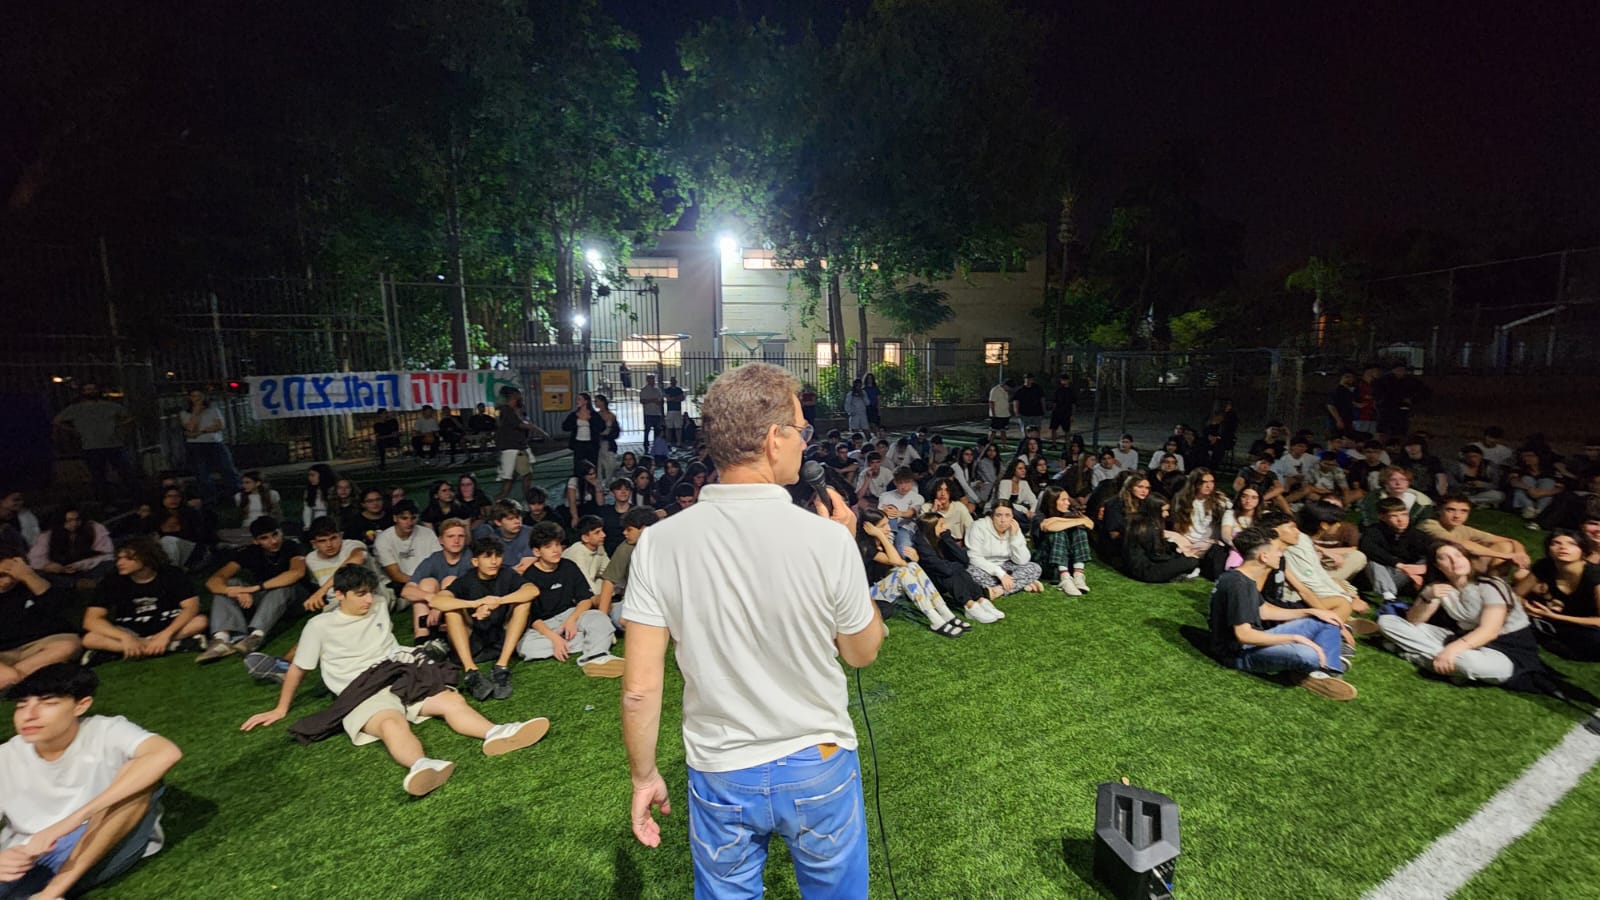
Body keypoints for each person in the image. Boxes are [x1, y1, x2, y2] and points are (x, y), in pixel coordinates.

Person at [621, 362, 883, 897]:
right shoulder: (827, 539)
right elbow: (862, 652)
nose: (806, 443)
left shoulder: (659, 542)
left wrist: (644, 776)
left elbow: (639, 689)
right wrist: (849, 547)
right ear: (772, 439)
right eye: (801, 429)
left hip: (720, 769)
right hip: (817, 759)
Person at [239, 565, 549, 798]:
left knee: (452, 700)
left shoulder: (377, 605)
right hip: (361, 689)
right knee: (391, 722)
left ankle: (497, 732)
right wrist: (281, 709)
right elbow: (298, 669)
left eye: (369, 592)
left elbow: (416, 600)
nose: (368, 599)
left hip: (400, 672)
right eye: (360, 594)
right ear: (339, 595)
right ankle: (422, 765)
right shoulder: (319, 626)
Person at [0, 664, 181, 898]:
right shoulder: (6, 756)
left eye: (48, 702)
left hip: (99, 845)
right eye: (21, 705)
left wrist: (70, 822)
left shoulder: (105, 731)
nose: (29, 715)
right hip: (23, 857)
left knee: (140, 780)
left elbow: (166, 753)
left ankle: (50, 894)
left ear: (81, 705)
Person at [1207, 526, 1356, 700]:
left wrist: (1311, 611)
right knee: (1308, 654)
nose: (1281, 554)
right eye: (1277, 550)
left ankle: (1326, 672)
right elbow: (1244, 635)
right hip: (1238, 653)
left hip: (1254, 642)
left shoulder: (1244, 578)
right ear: (1263, 556)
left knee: (1328, 619)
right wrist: (1295, 638)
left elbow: (1264, 611)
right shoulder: (1238, 584)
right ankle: (1315, 669)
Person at [1379, 542, 1547, 689]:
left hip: (1507, 649)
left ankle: (1411, 654)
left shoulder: (1491, 585)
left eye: (1458, 555)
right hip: (1463, 639)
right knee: (1387, 621)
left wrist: (1451, 650)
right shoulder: (1440, 587)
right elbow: (1413, 621)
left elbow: (1490, 631)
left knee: (1467, 663)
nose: (1455, 561)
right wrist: (1427, 596)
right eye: (1445, 558)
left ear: (1467, 559)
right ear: (1437, 565)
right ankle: (1446, 667)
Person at [430, 538, 537, 701]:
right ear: (475, 561)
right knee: (451, 611)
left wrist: (498, 601)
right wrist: (475, 604)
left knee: (524, 602)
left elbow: (532, 590)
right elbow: (436, 601)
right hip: (474, 638)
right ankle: (471, 672)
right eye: (487, 556)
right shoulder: (467, 579)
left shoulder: (507, 574)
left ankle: (501, 667)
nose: (494, 561)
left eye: (497, 556)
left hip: (500, 636)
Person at [515, 522, 624, 676]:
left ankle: (595, 656)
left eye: (558, 545)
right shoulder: (529, 576)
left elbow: (585, 599)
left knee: (599, 618)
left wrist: (571, 621)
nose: (555, 550)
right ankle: (592, 641)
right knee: (525, 647)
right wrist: (555, 639)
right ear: (537, 551)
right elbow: (532, 618)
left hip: (571, 614)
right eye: (548, 547)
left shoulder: (568, 566)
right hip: (545, 625)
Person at [197, 517, 309, 663]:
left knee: (282, 585)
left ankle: (255, 636)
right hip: (267, 599)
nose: (273, 541)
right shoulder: (250, 552)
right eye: (265, 538)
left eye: (275, 534)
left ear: (281, 532)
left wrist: (254, 588)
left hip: (296, 598)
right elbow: (213, 581)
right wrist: (234, 591)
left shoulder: (292, 546)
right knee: (230, 584)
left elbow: (296, 573)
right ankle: (221, 639)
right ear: (256, 541)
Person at [81, 538, 207, 662]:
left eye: (128, 558)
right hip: (130, 629)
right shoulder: (112, 580)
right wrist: (125, 637)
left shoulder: (172, 574)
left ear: (146, 558)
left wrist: (166, 635)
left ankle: (121, 650)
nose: (120, 563)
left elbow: (191, 607)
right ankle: (171, 646)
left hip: (167, 623)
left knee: (200, 621)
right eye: (119, 558)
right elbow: (91, 620)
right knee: (90, 638)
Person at [1257, 510, 1376, 637]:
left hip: (1282, 605)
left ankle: (1335, 625)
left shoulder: (1281, 559)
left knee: (1341, 600)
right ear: (1275, 531)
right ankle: (1330, 630)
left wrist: (1328, 615)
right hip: (1271, 611)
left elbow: (1303, 590)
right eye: (1292, 528)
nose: (1297, 532)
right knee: (1341, 602)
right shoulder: (1265, 558)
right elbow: (1255, 596)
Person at [857, 510, 966, 637]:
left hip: (880, 588)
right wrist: (881, 536)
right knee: (903, 572)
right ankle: (934, 618)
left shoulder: (882, 543)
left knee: (912, 566)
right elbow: (896, 561)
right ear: (870, 528)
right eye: (882, 526)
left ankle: (944, 611)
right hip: (867, 596)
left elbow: (903, 564)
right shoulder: (865, 547)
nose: (888, 528)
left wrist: (914, 560)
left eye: (887, 524)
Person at [0, 554, 81, 690]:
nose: (7, 581)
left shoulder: (35, 582)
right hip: (3, 652)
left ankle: (15, 680)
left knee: (69, 646)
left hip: (40, 644)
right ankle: (15, 679)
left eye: (12, 575)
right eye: (2, 575)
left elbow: (57, 605)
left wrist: (28, 576)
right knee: (8, 677)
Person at [1518, 530, 1600, 661]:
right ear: (1549, 549)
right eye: (1556, 543)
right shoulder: (1545, 565)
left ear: (1583, 551)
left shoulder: (1594, 575)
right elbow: (1516, 594)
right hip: (1554, 615)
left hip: (1585, 623)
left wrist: (1554, 616)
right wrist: (1526, 606)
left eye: (1572, 544)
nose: (1563, 547)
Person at [51, 383, 134, 505]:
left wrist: (118, 428)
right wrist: (74, 431)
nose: (91, 391)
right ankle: (106, 501)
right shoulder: (75, 408)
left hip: (113, 444)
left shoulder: (110, 406)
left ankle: (135, 497)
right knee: (99, 476)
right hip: (91, 446)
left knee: (125, 472)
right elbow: (57, 421)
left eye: (93, 389)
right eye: (87, 389)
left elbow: (128, 417)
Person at [1418, 494, 1531, 578]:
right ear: (1439, 511)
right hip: (1433, 568)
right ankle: (1492, 583)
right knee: (1496, 551)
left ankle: (1495, 581)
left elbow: (1512, 541)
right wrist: (1506, 556)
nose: (1457, 515)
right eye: (1451, 510)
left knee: (1505, 545)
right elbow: (1463, 544)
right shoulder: (1430, 525)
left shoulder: (1462, 528)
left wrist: (1520, 554)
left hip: (1461, 566)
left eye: (1463, 511)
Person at [400, 519, 473, 649]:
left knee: (450, 581)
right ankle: (422, 640)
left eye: (461, 536)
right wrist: (433, 599)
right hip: (436, 609)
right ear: (441, 540)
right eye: (451, 536)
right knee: (427, 583)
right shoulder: (434, 559)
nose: (456, 540)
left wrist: (441, 605)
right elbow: (406, 591)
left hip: (465, 610)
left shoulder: (471, 558)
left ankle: (446, 638)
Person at [1359, 497, 1437, 602]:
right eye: (1394, 516)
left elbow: (1434, 550)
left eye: (1404, 515)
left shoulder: (1417, 535)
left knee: (1428, 559)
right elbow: (1368, 548)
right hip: (1382, 575)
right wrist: (1398, 564)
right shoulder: (1373, 531)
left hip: (1407, 574)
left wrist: (1422, 568)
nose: (1400, 520)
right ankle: (1388, 596)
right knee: (1373, 561)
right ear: (1382, 517)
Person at [594, 507, 659, 629]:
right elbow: (609, 581)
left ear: (644, 530)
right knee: (618, 617)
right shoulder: (625, 547)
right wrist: (602, 618)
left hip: (666, 599)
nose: (624, 533)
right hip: (636, 600)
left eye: (629, 529)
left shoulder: (668, 543)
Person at [965, 500, 1044, 597]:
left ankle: (999, 590)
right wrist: (1000, 574)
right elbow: (974, 557)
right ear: (992, 516)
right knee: (970, 574)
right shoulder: (978, 527)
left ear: (1012, 516)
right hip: (985, 567)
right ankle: (1022, 582)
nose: (1003, 520)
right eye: (998, 515)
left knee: (1035, 568)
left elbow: (1022, 560)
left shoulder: (1014, 528)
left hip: (1007, 565)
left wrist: (1014, 537)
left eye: (1007, 515)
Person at [27, 507, 114, 592]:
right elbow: (34, 560)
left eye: (77, 520)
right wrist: (48, 566)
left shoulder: (93, 528)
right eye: (69, 521)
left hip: (90, 568)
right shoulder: (48, 536)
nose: (74, 524)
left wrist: (80, 565)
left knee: (108, 566)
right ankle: (75, 584)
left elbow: (107, 554)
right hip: (64, 574)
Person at [179, 388, 241, 504]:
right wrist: (196, 413)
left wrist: (201, 432)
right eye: (194, 396)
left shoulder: (213, 410)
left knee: (227, 468)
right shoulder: (184, 413)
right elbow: (191, 428)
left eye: (199, 396)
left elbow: (219, 426)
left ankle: (236, 495)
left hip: (215, 442)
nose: (197, 399)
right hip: (196, 445)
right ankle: (210, 499)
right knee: (202, 473)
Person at [372, 500, 442, 602]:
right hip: (399, 584)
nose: (409, 523)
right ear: (395, 518)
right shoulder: (383, 540)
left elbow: (438, 561)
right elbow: (395, 575)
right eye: (404, 518)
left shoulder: (427, 533)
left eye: (413, 518)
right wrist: (420, 582)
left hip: (428, 580)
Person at [1123, 496, 1201, 584]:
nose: (1167, 514)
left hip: (1136, 567)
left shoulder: (1141, 523)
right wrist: (1179, 556)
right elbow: (1157, 555)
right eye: (1164, 511)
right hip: (1146, 571)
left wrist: (1175, 548)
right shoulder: (1149, 528)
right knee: (1192, 561)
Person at [300, 517, 370, 613]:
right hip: (336, 604)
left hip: (367, 595)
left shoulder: (353, 545)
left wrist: (322, 590)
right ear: (314, 543)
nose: (329, 544)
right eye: (322, 541)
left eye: (333, 538)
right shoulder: (311, 559)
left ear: (341, 535)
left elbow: (359, 557)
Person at [1034, 486, 1094, 595]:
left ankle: (1078, 574)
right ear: (1052, 502)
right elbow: (1049, 527)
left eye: (1067, 499)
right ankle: (1064, 578)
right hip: (1047, 563)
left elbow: (1090, 524)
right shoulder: (1039, 516)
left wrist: (1057, 520)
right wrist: (1079, 521)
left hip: (1068, 562)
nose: (1068, 503)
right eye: (1063, 500)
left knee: (1079, 530)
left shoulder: (1069, 512)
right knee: (1058, 532)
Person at [493, 387, 543, 501]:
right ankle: (528, 499)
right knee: (525, 475)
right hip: (514, 447)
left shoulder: (512, 410)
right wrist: (536, 429)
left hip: (514, 446)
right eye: (519, 395)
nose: (521, 397)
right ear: (513, 396)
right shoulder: (507, 410)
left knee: (512, 477)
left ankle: (499, 499)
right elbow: (519, 424)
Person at [1508, 448, 1561, 523]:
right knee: (1526, 479)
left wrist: (1541, 493)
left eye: (1530, 456)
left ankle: (1538, 512)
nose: (1526, 458)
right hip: (1526, 495)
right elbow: (1513, 481)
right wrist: (1529, 489)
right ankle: (1529, 508)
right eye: (1524, 456)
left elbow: (1560, 487)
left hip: (1542, 495)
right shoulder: (1519, 467)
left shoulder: (1551, 470)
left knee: (1548, 482)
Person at [562, 515, 610, 595]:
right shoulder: (577, 552)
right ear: (585, 538)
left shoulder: (599, 547)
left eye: (602, 531)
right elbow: (585, 586)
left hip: (592, 588)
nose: (603, 535)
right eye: (597, 532)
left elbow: (610, 573)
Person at [1450, 444, 1505, 509]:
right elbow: (1451, 482)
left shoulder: (1489, 466)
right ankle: (1481, 504)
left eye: (1475, 456)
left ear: (1481, 456)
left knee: (1499, 496)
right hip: (1465, 492)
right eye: (1469, 457)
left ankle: (1469, 502)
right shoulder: (1458, 466)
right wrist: (1465, 485)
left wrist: (1483, 485)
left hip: (1483, 493)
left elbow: (1496, 484)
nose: (1472, 459)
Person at [921, 477, 974, 542]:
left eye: (947, 490)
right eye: (939, 490)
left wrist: (963, 542)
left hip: (957, 543)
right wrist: (933, 512)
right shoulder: (926, 508)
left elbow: (971, 528)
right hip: (935, 543)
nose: (943, 494)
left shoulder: (959, 507)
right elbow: (923, 532)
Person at [562, 392, 601, 478]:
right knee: (578, 465)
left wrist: (590, 420)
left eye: (579, 399)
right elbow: (565, 427)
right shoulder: (574, 415)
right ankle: (579, 482)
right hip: (578, 443)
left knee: (592, 464)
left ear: (586, 401)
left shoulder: (594, 414)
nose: (577, 401)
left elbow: (601, 427)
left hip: (591, 444)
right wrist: (575, 422)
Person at [300, 464, 337, 532]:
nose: (310, 478)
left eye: (313, 475)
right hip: (314, 522)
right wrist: (308, 525)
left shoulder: (333, 490)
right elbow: (307, 509)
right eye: (309, 475)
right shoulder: (310, 490)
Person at [1326, 370, 1358, 438]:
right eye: (1347, 377)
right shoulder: (1336, 390)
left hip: (1347, 421)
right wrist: (1338, 420)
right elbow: (1331, 405)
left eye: (1352, 377)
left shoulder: (1349, 392)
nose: (1350, 379)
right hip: (1337, 421)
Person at [639, 374, 665, 450]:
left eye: (653, 379)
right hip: (648, 413)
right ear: (647, 380)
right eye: (651, 379)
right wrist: (652, 400)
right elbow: (642, 401)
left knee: (657, 430)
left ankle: (656, 444)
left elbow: (661, 400)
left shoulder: (658, 390)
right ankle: (646, 445)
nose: (652, 381)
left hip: (657, 413)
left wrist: (658, 402)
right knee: (647, 430)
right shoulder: (644, 390)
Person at [1048, 374, 1075, 447]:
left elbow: (1073, 403)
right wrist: (1053, 411)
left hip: (1066, 413)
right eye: (1062, 380)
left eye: (1065, 380)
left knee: (1067, 430)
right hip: (1057, 412)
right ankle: (1054, 444)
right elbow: (1055, 401)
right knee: (1053, 428)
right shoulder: (1058, 390)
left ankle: (1067, 445)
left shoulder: (1071, 391)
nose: (1064, 381)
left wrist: (1072, 415)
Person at [987, 379, 1014, 445]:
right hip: (997, 414)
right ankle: (989, 445)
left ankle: (1004, 445)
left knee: (1003, 431)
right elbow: (991, 402)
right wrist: (993, 414)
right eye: (1009, 387)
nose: (1009, 389)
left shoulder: (1006, 391)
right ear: (1005, 385)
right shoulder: (995, 390)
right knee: (993, 431)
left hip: (1005, 414)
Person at [662, 377, 686, 446]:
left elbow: (682, 398)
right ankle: (668, 442)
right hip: (670, 410)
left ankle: (679, 442)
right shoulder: (667, 390)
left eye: (674, 381)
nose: (673, 382)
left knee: (678, 427)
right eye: (672, 381)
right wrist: (677, 398)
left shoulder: (679, 390)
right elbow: (668, 399)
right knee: (669, 427)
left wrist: (673, 398)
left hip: (678, 410)